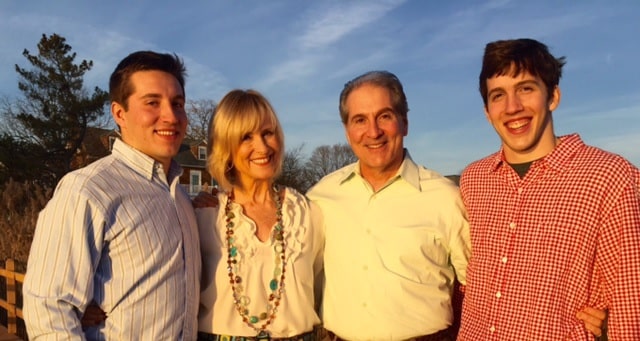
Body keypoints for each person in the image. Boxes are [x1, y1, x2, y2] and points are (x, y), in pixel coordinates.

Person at [457, 38, 640, 340]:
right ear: (487, 112)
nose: (512, 107)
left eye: (525, 89)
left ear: (553, 96)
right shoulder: (475, 179)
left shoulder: (606, 176)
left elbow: (628, 298)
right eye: (498, 95)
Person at [22, 51, 201, 340]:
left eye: (177, 103)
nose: (170, 116)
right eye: (152, 102)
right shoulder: (88, 190)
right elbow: (50, 310)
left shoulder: (181, 198)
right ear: (119, 113)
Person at [306, 71, 470, 340]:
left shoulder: (445, 197)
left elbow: (473, 285)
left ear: (404, 123)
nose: (373, 132)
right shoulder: (321, 197)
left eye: (385, 116)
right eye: (360, 120)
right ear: (348, 131)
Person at [195, 89, 324, 340]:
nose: (262, 147)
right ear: (226, 148)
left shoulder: (306, 212)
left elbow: (323, 282)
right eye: (246, 137)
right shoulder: (204, 215)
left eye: (268, 133)